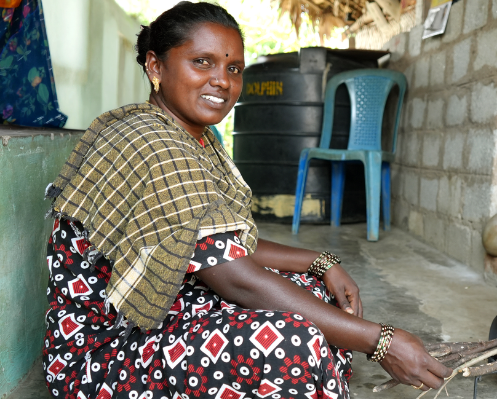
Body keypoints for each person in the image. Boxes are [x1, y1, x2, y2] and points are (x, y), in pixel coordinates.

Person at [42, 3, 451, 399]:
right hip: (105, 353)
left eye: (233, 68)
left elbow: (225, 241)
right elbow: (236, 275)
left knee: (310, 292)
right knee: (293, 341)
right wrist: (381, 341)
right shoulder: (148, 142)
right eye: (202, 62)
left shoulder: (195, 140)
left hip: (164, 309)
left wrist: (321, 261)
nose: (222, 80)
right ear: (155, 67)